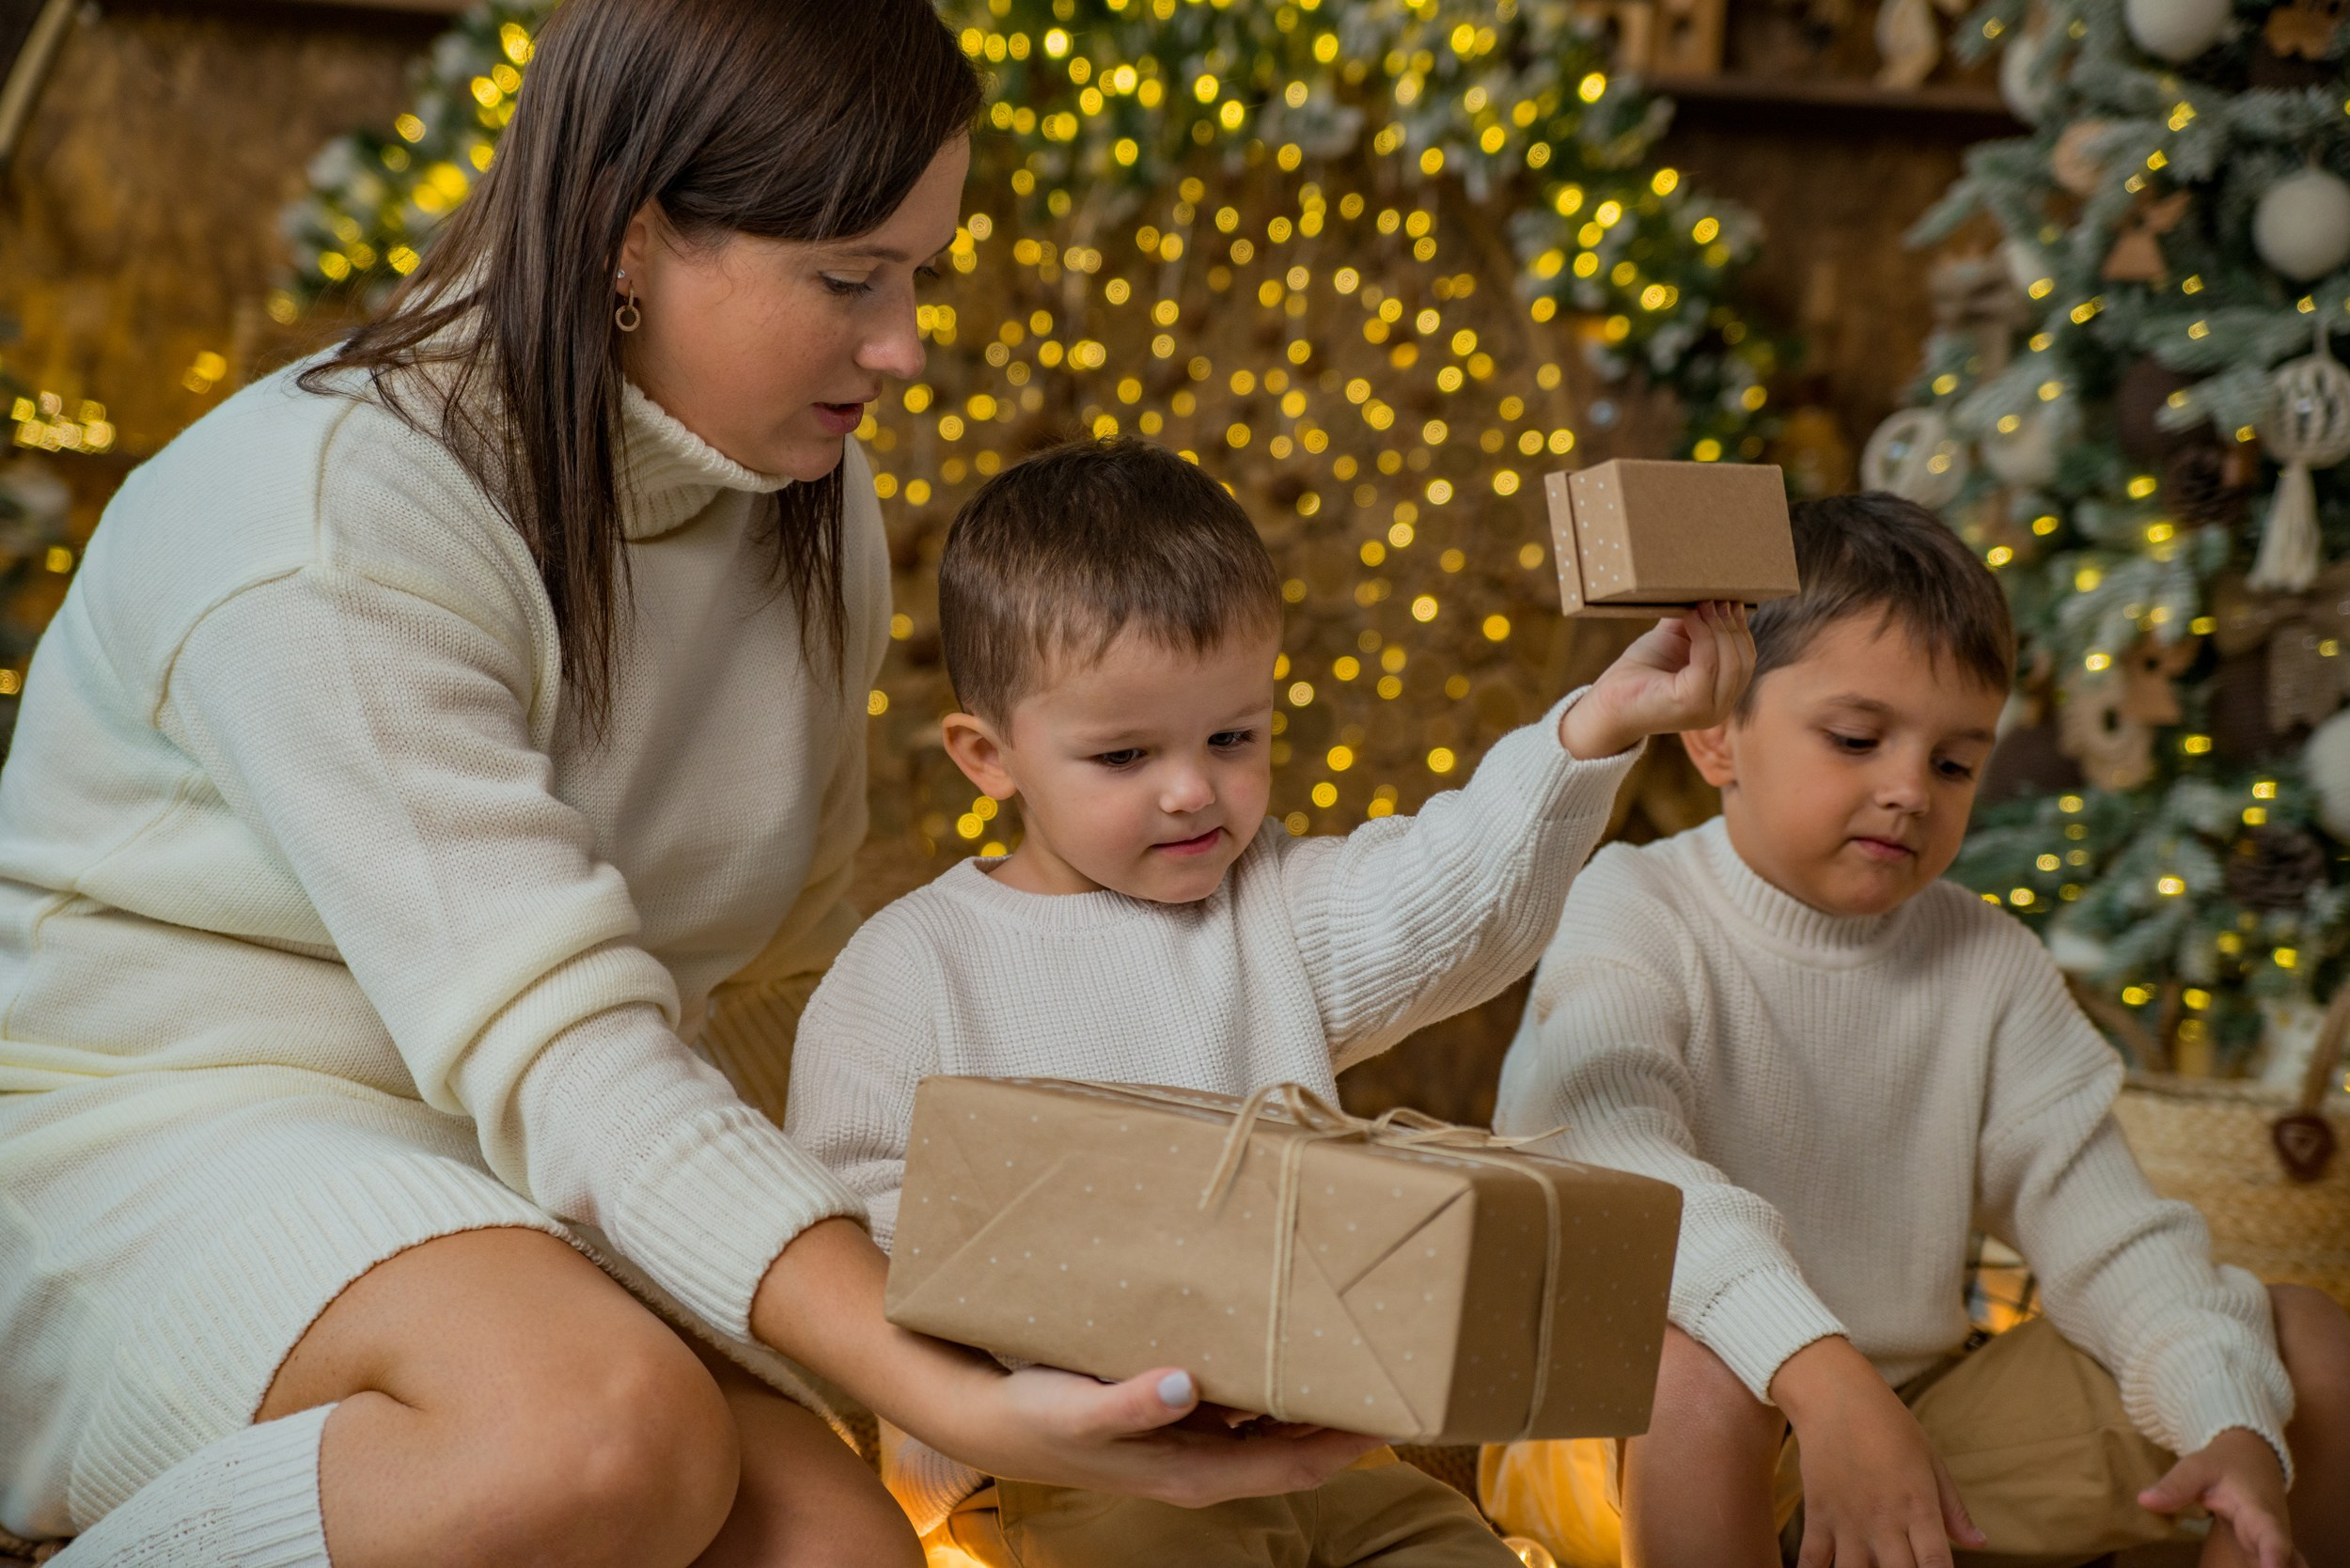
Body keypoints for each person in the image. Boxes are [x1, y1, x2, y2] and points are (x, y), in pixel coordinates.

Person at [0, 6, 1386, 1566]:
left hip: (539, 1186)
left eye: (922, 270)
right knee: (592, 1440)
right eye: (851, 277)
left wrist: (987, 1303)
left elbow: (776, 982)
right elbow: (573, 1050)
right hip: (166, 1153)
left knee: (849, 1547)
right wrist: (934, 1371)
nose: (905, 344)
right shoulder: (328, 522)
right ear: (633, 234)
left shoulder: (804, 492)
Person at [782, 435, 1757, 1567]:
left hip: (1311, 1449)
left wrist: (1597, 727)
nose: (1193, 788)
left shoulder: (1272, 906)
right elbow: (845, 1225)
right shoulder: (911, 967)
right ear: (988, 756)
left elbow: (1459, 893)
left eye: (1233, 737)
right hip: (1065, 1475)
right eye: (1123, 755)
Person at [1482, 492, 2350, 1568]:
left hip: (1907, 1426)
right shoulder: (1629, 908)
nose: (1906, 792)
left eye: (1952, 764)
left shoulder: (1984, 961)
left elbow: (2111, 1237)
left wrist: (2227, 1416)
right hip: (1630, 1435)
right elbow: (1623, 1175)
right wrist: (1820, 1372)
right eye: (1855, 739)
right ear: (1715, 734)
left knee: (2298, 1350)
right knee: (1696, 1380)